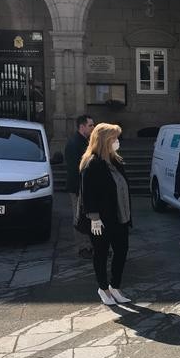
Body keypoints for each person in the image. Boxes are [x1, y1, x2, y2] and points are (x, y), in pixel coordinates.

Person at [79, 123, 132, 305]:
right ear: (105, 140)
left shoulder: (116, 161)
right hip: (101, 219)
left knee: (121, 251)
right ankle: (103, 288)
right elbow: (87, 193)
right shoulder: (92, 163)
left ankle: (115, 286)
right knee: (101, 254)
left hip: (120, 217)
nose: (117, 141)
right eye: (115, 138)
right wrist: (94, 218)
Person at [65, 115, 95, 259]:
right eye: (90, 125)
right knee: (78, 218)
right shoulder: (73, 144)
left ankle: (90, 245)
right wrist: (80, 190)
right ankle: (82, 247)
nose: (93, 128)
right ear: (82, 127)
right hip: (78, 188)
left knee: (88, 217)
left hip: (87, 187)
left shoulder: (87, 142)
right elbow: (73, 170)